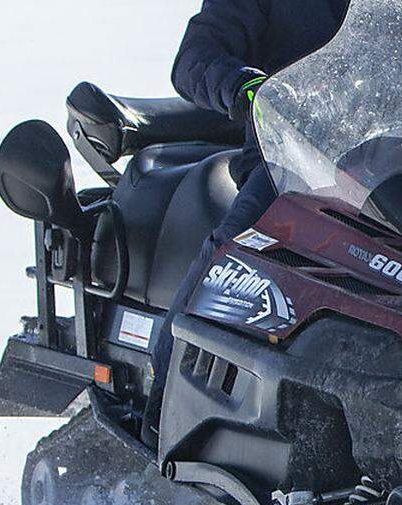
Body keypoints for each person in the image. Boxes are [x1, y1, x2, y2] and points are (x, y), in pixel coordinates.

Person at [144, 0, 350, 443]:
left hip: (401, 167)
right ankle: (161, 418)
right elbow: (195, 59)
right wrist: (246, 87)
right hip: (291, 162)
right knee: (235, 254)